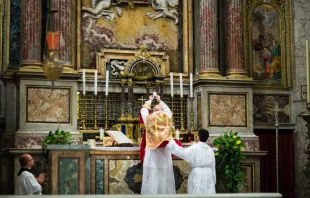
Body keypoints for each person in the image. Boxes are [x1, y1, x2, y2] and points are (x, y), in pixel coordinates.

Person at [140, 94, 181, 194]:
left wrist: (149, 101)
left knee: (153, 174)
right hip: (164, 152)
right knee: (164, 175)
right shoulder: (167, 117)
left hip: (153, 151)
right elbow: (169, 111)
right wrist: (160, 100)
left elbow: (143, 111)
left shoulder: (149, 118)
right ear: (162, 110)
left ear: (153, 111)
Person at [166, 128, 216, 194]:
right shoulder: (210, 150)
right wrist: (213, 180)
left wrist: (171, 142)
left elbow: (182, 152)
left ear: (198, 137)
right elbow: (213, 167)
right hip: (208, 174)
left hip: (197, 174)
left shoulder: (194, 148)